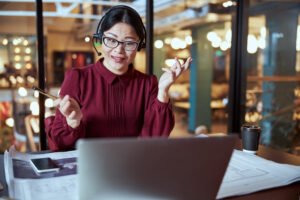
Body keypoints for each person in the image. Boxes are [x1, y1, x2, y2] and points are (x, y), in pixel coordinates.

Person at [46, 5, 192, 151]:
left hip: (133, 166)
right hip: (89, 168)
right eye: (111, 40)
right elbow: (60, 146)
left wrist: (163, 91)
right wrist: (73, 123)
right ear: (101, 40)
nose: (119, 50)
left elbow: (156, 139)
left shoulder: (148, 84)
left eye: (129, 43)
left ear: (139, 45)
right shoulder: (78, 78)